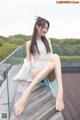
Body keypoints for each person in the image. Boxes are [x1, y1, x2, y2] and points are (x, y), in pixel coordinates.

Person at [13, 16, 64, 117]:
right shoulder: (29, 43)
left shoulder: (47, 41)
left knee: (55, 57)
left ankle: (60, 92)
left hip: (47, 68)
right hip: (35, 70)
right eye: (43, 27)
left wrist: (49, 63)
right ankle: (26, 93)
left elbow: (51, 57)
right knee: (52, 61)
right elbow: (28, 62)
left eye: (47, 28)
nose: (45, 30)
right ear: (37, 26)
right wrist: (20, 75)